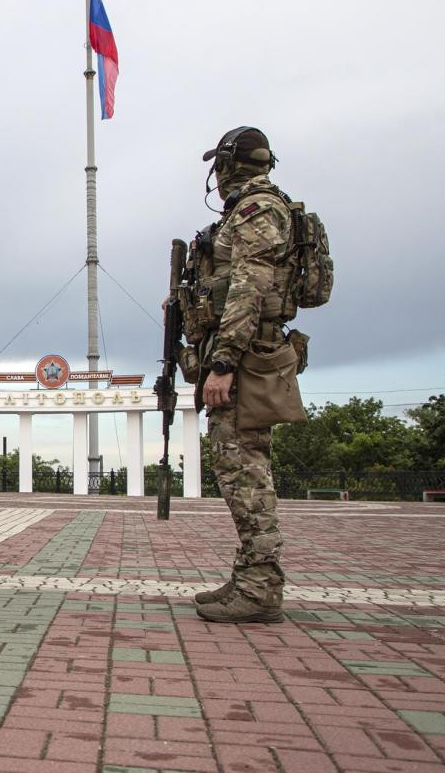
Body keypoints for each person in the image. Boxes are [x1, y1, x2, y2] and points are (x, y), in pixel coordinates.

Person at [180, 126, 308, 624]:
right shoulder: (257, 208)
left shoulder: (257, 209)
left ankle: (260, 588)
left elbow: (248, 290)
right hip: (250, 353)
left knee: (245, 472)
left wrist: (223, 363)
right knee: (239, 468)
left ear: (230, 165)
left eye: (219, 166)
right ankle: (251, 575)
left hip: (248, 359)